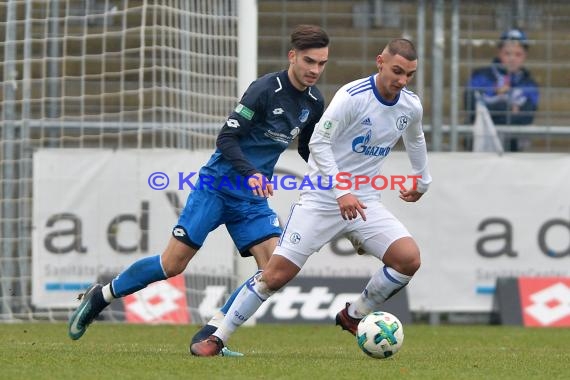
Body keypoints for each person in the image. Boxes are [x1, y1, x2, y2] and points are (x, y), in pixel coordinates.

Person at [67, 25, 330, 356]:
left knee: (273, 272)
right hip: (216, 187)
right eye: (310, 61)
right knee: (172, 265)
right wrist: (249, 172)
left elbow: (308, 148)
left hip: (251, 200)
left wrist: (334, 174)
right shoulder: (264, 90)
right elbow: (226, 139)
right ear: (292, 56)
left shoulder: (314, 102)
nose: (315, 71)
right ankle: (101, 296)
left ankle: (211, 336)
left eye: (322, 64)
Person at [190, 38, 432, 357]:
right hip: (322, 198)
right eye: (397, 71)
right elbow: (318, 143)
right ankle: (216, 337)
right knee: (276, 274)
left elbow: (415, 140)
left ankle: (353, 315)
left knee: (408, 259)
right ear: (381, 62)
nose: (401, 81)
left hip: (365, 202)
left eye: (409, 75)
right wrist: (341, 189)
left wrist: (422, 180)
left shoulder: (410, 104)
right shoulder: (351, 96)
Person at [464, 28, 540, 152]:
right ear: (499, 53)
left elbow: (526, 118)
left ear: (525, 56)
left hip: (513, 147)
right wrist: (509, 108)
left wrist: (489, 107)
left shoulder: (530, 84)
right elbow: (472, 110)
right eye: (507, 53)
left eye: (518, 54)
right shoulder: (480, 76)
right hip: (479, 145)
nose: (512, 59)